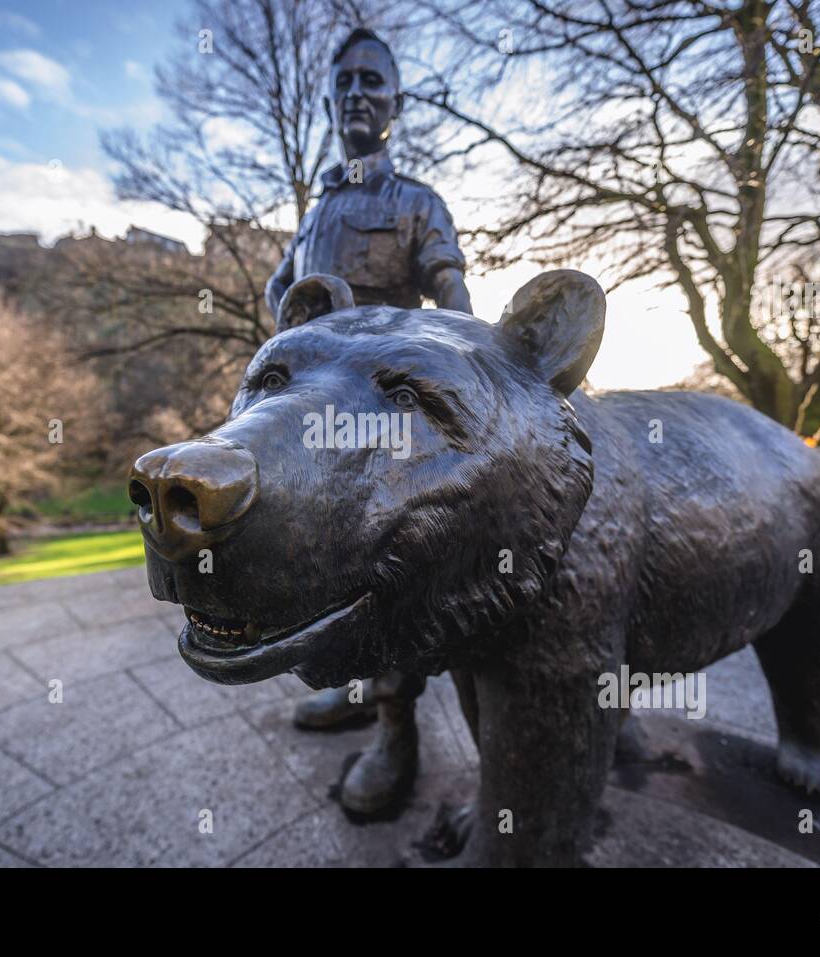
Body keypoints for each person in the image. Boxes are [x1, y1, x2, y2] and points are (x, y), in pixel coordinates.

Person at [265, 27, 472, 815]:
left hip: (385, 417)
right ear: (328, 101)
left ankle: (396, 732)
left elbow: (453, 300)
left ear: (397, 102)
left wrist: (481, 376)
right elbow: (280, 288)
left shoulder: (418, 202)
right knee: (318, 565)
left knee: (387, 570)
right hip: (309, 415)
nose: (357, 93)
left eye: (372, 81)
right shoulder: (315, 212)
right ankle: (353, 688)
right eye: (344, 81)